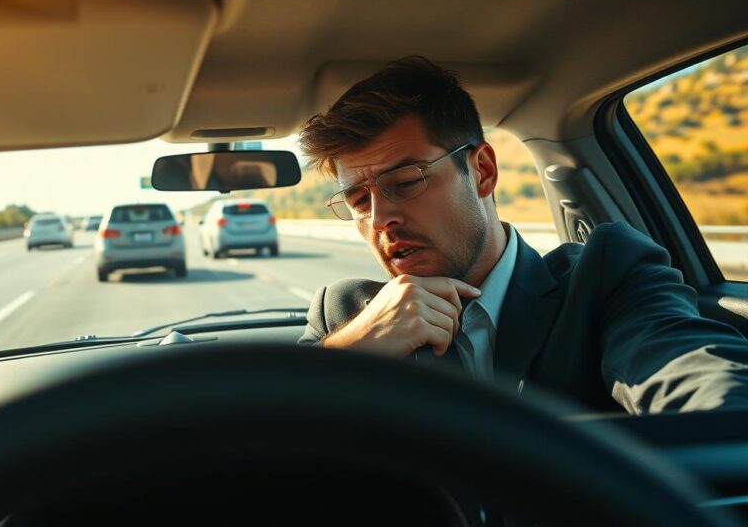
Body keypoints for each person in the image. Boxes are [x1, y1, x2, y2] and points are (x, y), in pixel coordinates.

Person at [297, 56, 748, 413]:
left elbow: (696, 376)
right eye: (358, 200)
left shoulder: (604, 278)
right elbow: (272, 444)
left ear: (483, 172)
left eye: (408, 181)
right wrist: (356, 352)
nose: (379, 220)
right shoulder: (342, 313)